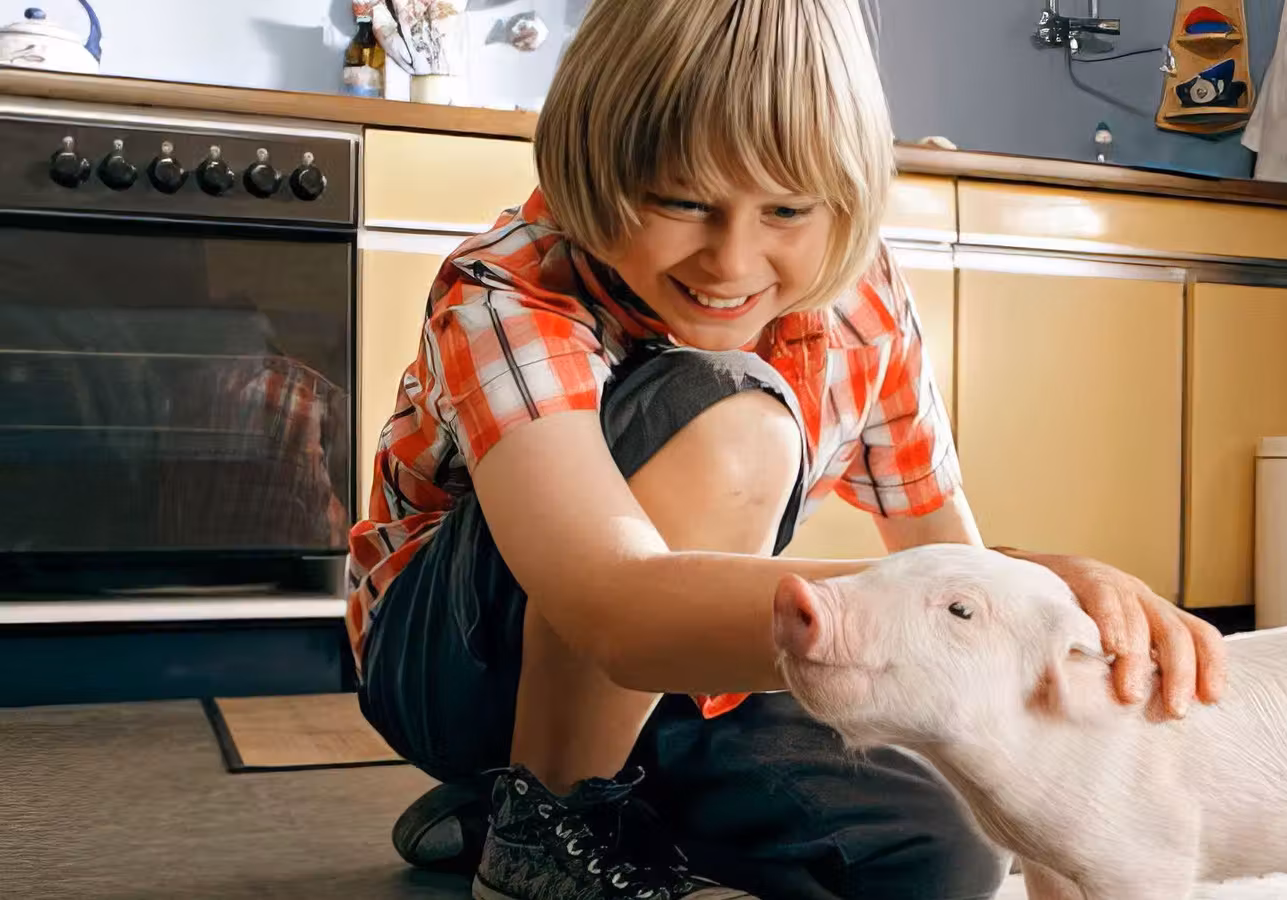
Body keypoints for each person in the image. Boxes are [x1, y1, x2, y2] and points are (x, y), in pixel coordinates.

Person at [348, 1, 1229, 898]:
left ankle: (522, 808)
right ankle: (544, 819)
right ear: (596, 171)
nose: (732, 263)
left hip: (678, 668)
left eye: (786, 210)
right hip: (460, 666)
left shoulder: (860, 294)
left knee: (950, 852)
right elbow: (609, 606)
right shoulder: (509, 292)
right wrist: (973, 594)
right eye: (682, 201)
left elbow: (940, 552)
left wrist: (1038, 595)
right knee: (730, 416)